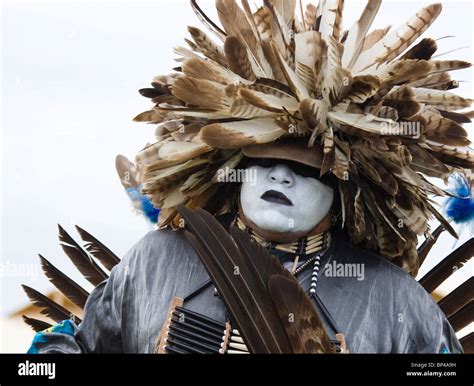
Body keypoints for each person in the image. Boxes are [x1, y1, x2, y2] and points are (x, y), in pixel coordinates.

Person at [26, 0, 471, 354]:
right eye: (262, 161)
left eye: (304, 168)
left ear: (344, 193)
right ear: (236, 170)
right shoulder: (155, 262)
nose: (280, 174)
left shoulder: (394, 301)